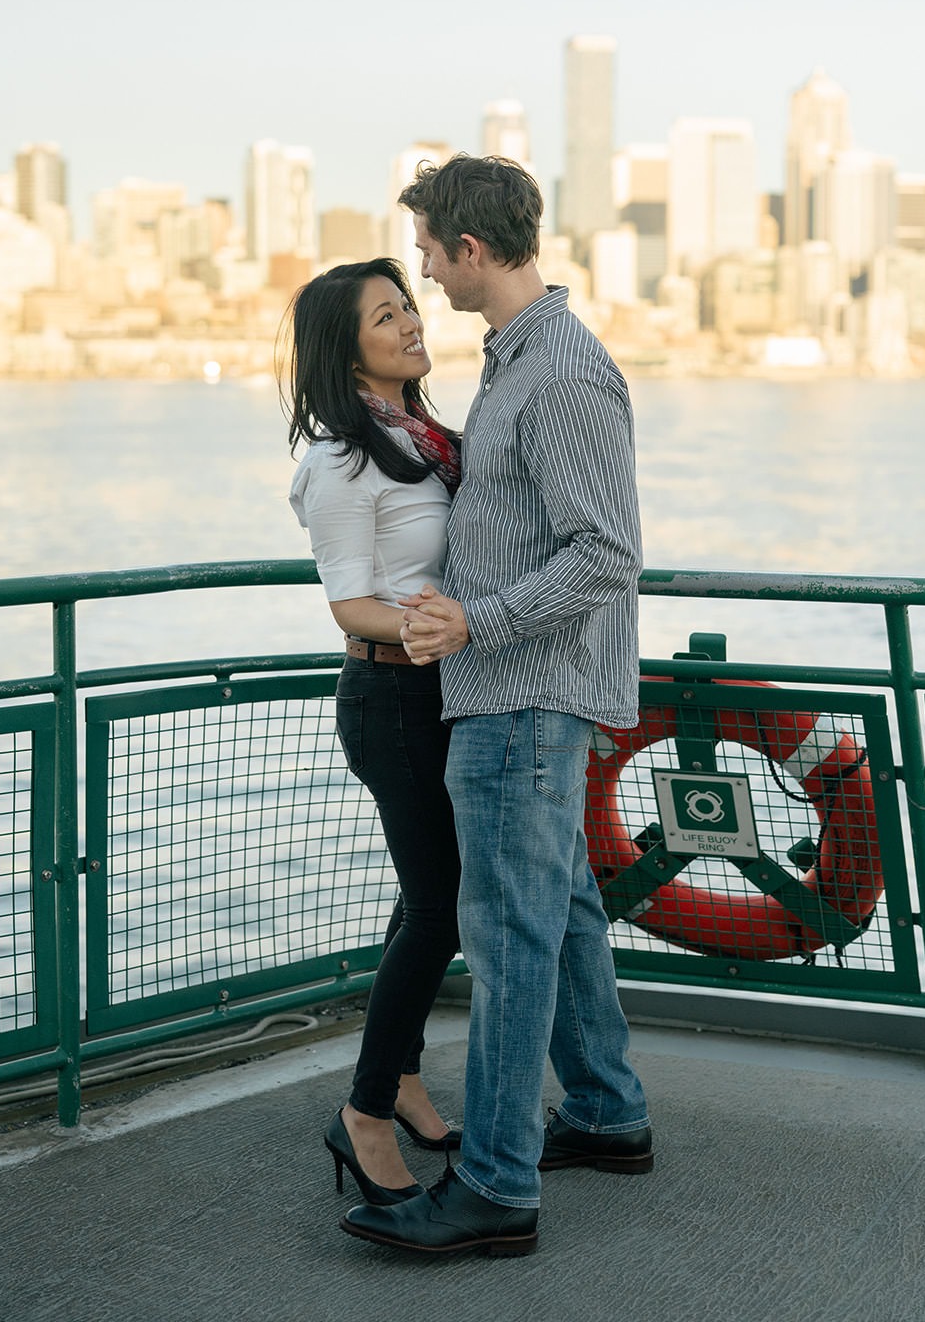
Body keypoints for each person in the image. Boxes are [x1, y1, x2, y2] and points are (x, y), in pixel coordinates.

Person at [340, 157, 651, 1260]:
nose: (422, 265)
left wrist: (476, 620)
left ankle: (494, 1186)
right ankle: (607, 1111)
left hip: (519, 698)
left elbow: (607, 553)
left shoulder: (556, 373)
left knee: (508, 939)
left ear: (471, 249)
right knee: (557, 911)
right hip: (514, 694)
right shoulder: (515, 361)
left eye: (427, 248)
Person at [284, 257, 463, 1208]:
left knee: (427, 898)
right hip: (392, 701)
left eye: (407, 306)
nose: (407, 323)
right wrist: (433, 624)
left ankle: (399, 1079)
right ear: (344, 350)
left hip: (441, 696)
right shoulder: (341, 459)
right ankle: (361, 1114)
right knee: (438, 908)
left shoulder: (426, 439)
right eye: (383, 316)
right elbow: (350, 605)